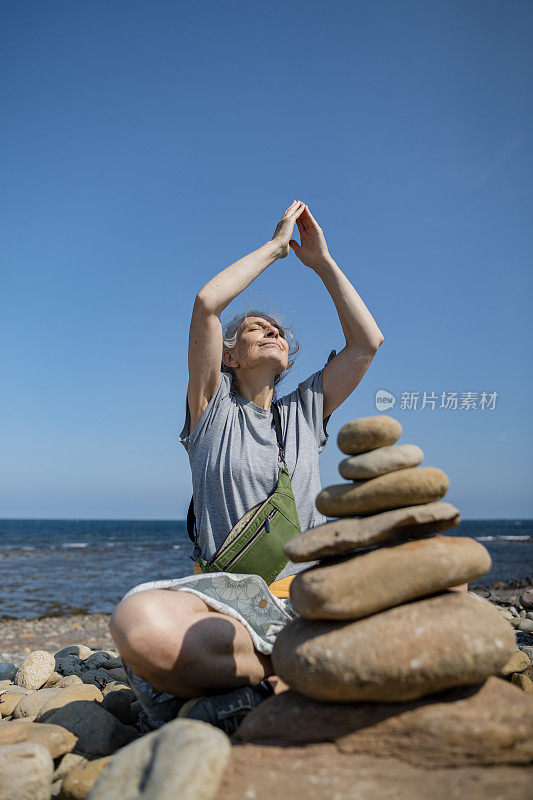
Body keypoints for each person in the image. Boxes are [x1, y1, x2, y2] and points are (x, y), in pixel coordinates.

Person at [109, 200, 385, 733]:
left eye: (279, 330)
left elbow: (366, 343)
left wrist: (322, 262)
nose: (273, 331)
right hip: (229, 609)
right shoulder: (211, 410)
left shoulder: (306, 412)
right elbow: (207, 304)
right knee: (141, 626)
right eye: (258, 329)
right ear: (230, 357)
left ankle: (278, 678)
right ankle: (299, 673)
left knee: (442, 575)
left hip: (310, 602)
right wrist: (278, 248)